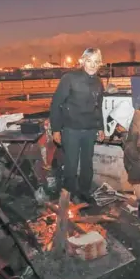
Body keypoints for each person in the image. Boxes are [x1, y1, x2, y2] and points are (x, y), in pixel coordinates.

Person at [49, 48, 105, 202]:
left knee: (87, 164)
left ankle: (84, 193)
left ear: (100, 64)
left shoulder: (99, 82)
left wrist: (100, 127)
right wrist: (56, 130)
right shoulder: (70, 78)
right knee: (71, 165)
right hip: (71, 130)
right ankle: (69, 195)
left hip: (89, 130)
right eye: (89, 61)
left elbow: (98, 107)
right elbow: (56, 104)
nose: (92, 65)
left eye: (96, 62)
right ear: (83, 61)